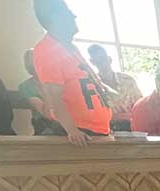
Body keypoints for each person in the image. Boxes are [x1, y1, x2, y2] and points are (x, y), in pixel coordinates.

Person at [32, 0, 112, 145]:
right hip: (82, 135)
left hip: (97, 130)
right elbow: (55, 97)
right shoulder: (47, 50)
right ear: (55, 17)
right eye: (68, 13)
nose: (74, 16)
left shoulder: (71, 47)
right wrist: (72, 130)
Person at [85, 44, 140, 131]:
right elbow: (93, 116)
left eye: (103, 59)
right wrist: (116, 117)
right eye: (97, 61)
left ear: (109, 59)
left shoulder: (128, 80)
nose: (102, 64)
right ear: (92, 63)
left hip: (134, 128)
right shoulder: (92, 86)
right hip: (109, 131)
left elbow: (140, 107)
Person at [17, 49, 61, 135]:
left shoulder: (59, 81)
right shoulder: (26, 86)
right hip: (45, 126)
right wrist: (46, 87)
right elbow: (47, 114)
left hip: (66, 122)